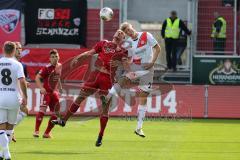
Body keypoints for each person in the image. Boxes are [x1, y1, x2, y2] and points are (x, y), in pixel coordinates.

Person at [51, 30, 127, 147]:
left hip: (107, 80)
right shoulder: (103, 43)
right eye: (118, 32)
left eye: (122, 35)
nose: (119, 34)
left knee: (105, 107)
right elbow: (90, 52)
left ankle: (100, 136)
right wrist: (78, 57)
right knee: (79, 98)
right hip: (95, 76)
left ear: (123, 40)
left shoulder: (122, 52)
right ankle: (63, 121)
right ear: (114, 34)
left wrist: (121, 66)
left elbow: (127, 66)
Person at [107, 22, 161, 138]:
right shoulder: (129, 43)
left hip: (148, 69)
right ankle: (107, 98)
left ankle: (139, 128)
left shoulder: (146, 35)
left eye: (128, 29)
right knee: (122, 80)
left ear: (132, 27)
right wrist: (122, 64)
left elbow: (158, 48)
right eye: (126, 31)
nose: (128, 31)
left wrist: (152, 62)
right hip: (136, 67)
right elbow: (129, 59)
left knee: (143, 97)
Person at [0, 41, 28, 160]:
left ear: (3, 50)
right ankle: (4, 154)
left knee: (1, 128)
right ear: (13, 50)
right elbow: (22, 81)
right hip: (14, 98)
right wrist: (25, 96)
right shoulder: (17, 64)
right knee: (10, 128)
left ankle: (6, 153)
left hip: (1, 96)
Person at [33, 49, 62, 138]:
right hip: (46, 93)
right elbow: (37, 77)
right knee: (42, 111)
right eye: (52, 57)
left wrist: (60, 87)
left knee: (56, 114)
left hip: (54, 93)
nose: (55, 58)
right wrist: (41, 88)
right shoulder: (46, 68)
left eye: (56, 56)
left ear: (59, 57)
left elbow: (58, 77)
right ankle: (36, 131)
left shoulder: (60, 66)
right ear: (49, 58)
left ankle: (46, 133)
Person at [11, 42, 29, 142]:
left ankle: (10, 130)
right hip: (9, 94)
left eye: (20, 48)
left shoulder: (23, 65)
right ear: (13, 50)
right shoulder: (10, 63)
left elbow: (22, 80)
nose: (19, 50)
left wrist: (26, 83)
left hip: (17, 94)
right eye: (17, 48)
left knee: (24, 111)